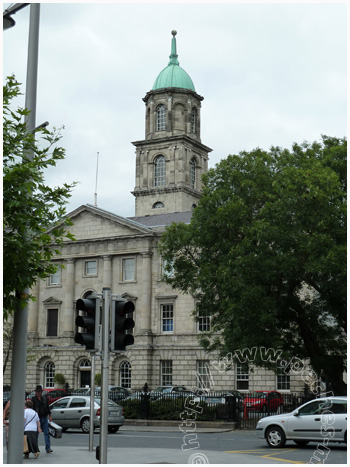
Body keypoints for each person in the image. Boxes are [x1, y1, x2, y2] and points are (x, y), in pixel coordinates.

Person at [31, 386, 53, 453]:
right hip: (37, 418)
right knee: (36, 434)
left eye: (39, 392)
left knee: (46, 433)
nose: (38, 393)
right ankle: (36, 448)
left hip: (44, 417)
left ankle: (48, 448)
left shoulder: (44, 398)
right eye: (37, 392)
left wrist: (50, 415)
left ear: (41, 392)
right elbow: (32, 408)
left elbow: (47, 407)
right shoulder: (33, 399)